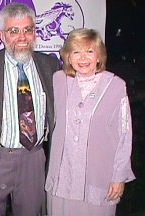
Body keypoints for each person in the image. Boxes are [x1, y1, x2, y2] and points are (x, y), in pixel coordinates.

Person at [0, 3, 60, 216]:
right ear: (2, 35)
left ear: (35, 32)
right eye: (14, 31)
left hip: (34, 157)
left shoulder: (50, 66)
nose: (22, 37)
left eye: (28, 30)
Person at [45, 28, 135, 216]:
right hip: (62, 177)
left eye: (89, 51)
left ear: (99, 56)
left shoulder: (116, 86)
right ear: (68, 57)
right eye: (76, 52)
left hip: (99, 178)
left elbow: (124, 135)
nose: (83, 58)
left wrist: (119, 176)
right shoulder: (58, 81)